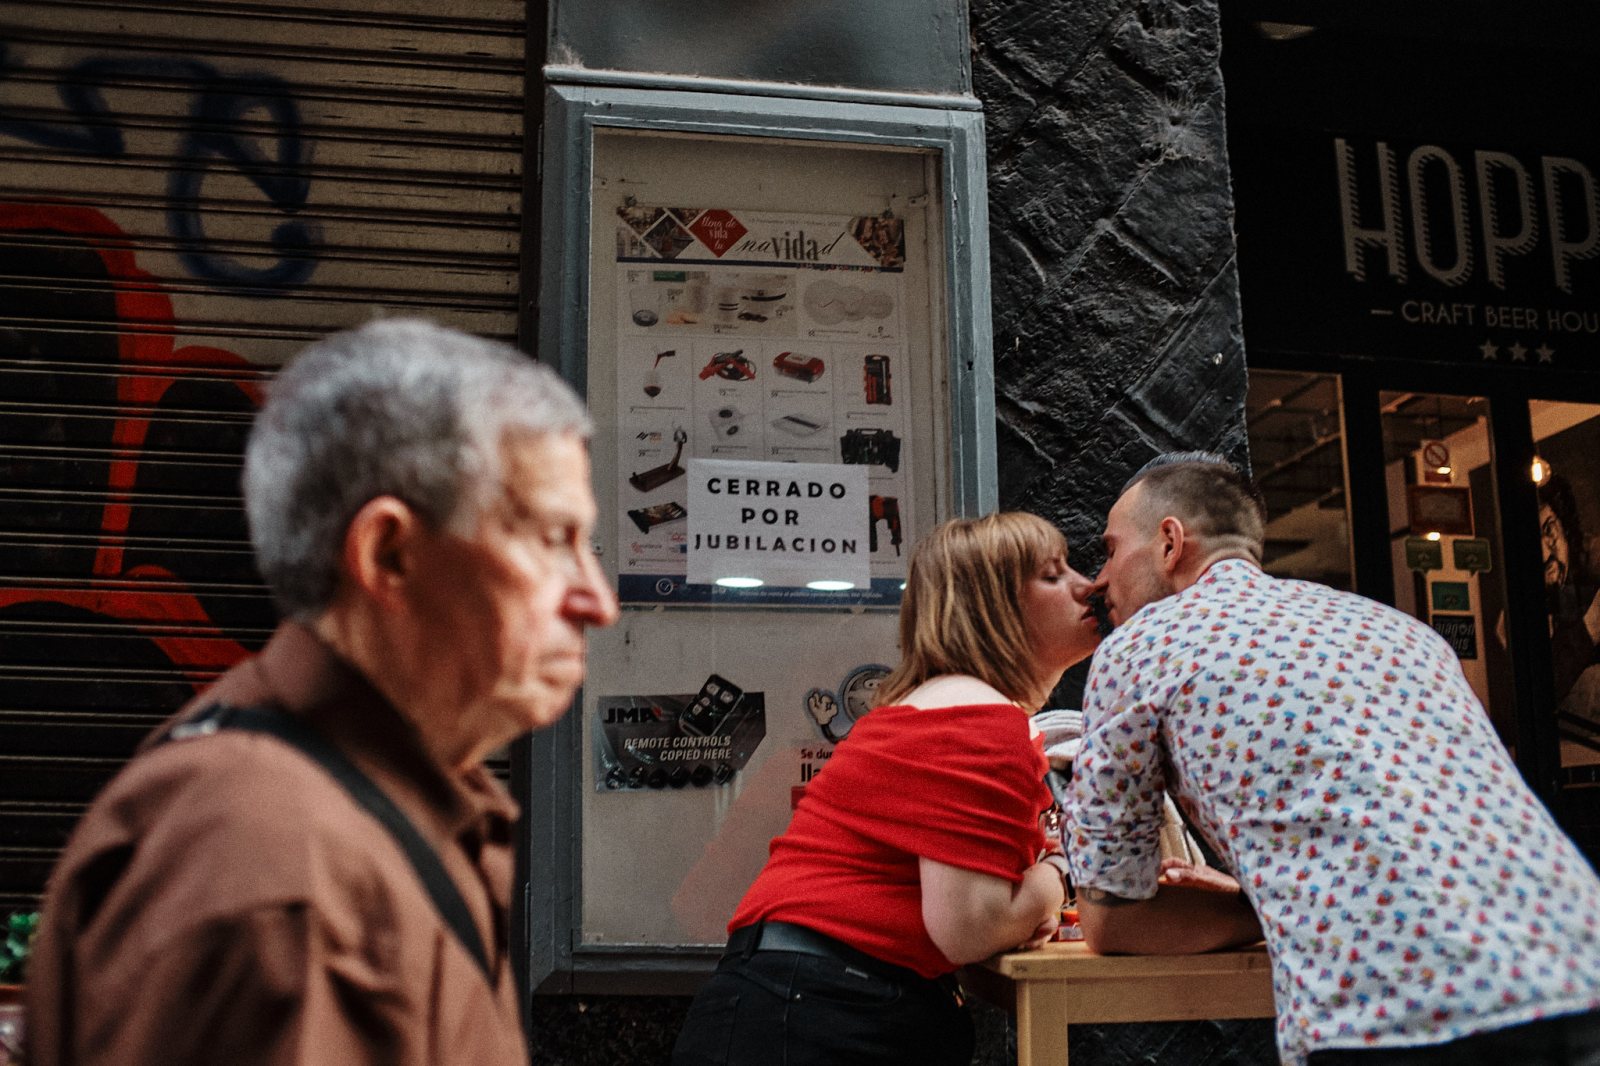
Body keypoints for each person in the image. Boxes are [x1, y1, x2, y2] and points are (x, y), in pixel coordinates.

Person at [25, 319, 619, 1065]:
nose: (598, 601)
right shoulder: (282, 872)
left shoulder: (354, 807)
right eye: (552, 541)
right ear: (388, 555)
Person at [1066, 451, 1600, 1066]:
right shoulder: (1402, 631)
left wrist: (1249, 906)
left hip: (1396, 1014)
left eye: (1109, 550)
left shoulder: (1140, 646)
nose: (1099, 579)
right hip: (1575, 966)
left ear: (1169, 542)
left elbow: (1112, 917)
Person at [672, 513, 1102, 1066]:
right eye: (1052, 574)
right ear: (994, 609)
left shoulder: (933, 707)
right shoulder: (980, 718)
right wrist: (1056, 877)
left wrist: (1015, 904)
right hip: (826, 1015)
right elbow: (968, 930)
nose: (1086, 585)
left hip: (789, 1002)